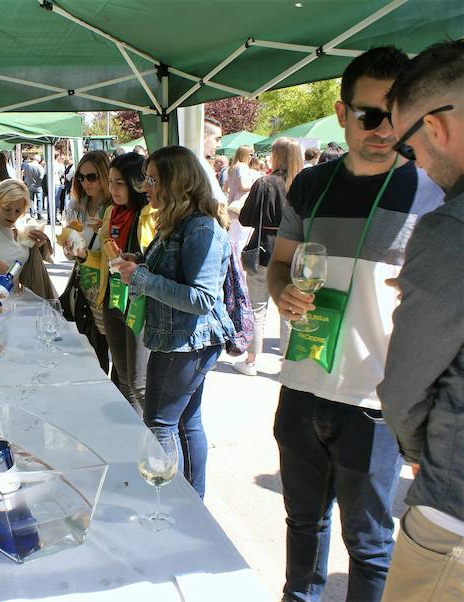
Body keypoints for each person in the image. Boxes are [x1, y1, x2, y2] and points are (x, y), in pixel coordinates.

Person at [265, 47, 445, 602]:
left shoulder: (431, 192)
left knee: (368, 545)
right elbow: (277, 265)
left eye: (397, 115)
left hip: (374, 398)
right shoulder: (308, 186)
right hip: (301, 384)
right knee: (302, 527)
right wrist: (281, 292)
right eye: (370, 115)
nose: (385, 129)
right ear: (342, 114)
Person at [378, 40, 464, 602]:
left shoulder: (448, 227)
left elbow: (405, 388)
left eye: (407, 149)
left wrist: (417, 453)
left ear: (435, 128)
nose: (417, 165)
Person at [117, 146, 234, 499]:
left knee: (160, 426)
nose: (145, 187)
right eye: (145, 178)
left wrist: (141, 278)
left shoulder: (200, 228)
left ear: (176, 181)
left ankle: (166, 501)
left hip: (187, 341)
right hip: (181, 339)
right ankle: (191, 502)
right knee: (186, 422)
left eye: (152, 179)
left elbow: (201, 298)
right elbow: (174, 272)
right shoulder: (177, 220)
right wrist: (138, 262)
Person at [232, 137, 301, 376]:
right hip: (295, 253)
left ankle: (251, 361)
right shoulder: (303, 183)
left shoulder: (265, 183)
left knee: (257, 308)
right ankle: (289, 363)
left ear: (277, 155)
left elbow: (245, 218)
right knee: (289, 308)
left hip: (264, 250)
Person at [97, 152, 149, 416]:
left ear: (135, 183)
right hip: (113, 299)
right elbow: (102, 256)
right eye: (110, 182)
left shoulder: (148, 215)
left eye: (119, 183)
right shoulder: (111, 212)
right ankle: (134, 438)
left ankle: (151, 441)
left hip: (138, 304)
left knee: (139, 383)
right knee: (124, 379)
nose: (113, 189)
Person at [63, 150, 113, 372]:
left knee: (110, 353)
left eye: (91, 176)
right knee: (88, 351)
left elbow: (111, 256)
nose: (85, 182)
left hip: (106, 287)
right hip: (83, 286)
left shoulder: (114, 208)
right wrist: (70, 248)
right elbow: (69, 253)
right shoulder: (76, 206)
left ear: (104, 175)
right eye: (81, 177)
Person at [224, 145, 257, 251]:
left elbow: (225, 187)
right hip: (242, 205)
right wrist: (256, 186)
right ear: (245, 154)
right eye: (251, 154)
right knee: (241, 238)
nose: (252, 157)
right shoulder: (242, 166)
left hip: (232, 204)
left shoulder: (231, 168)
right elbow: (243, 185)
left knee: (232, 237)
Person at [201, 117, 228, 205]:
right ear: (204, 137)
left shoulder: (202, 163)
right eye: (217, 139)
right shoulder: (196, 165)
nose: (219, 144)